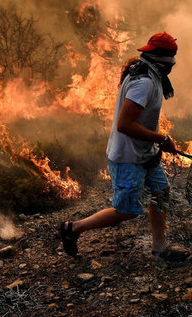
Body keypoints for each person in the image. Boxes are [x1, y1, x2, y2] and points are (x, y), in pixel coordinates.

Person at [58, 32, 182, 259]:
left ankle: (159, 248)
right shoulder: (143, 82)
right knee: (126, 211)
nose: (173, 63)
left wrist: (156, 142)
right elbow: (125, 125)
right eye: (171, 58)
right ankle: (73, 228)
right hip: (128, 156)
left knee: (161, 194)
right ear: (160, 58)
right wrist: (161, 139)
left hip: (145, 152)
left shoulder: (151, 73)